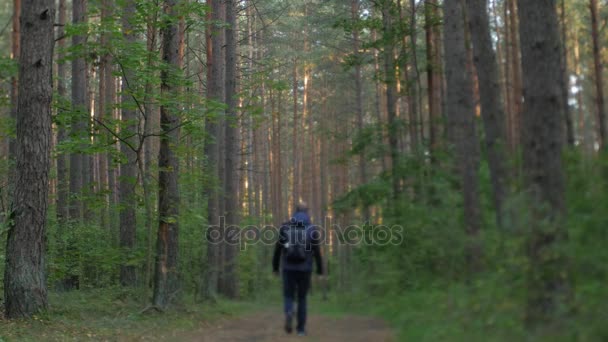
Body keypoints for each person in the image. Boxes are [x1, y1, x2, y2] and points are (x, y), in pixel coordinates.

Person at [272, 202, 323, 336]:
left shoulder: (285, 227)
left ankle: (289, 312)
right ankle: (300, 330)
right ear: (307, 213)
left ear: (294, 212)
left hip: (288, 268)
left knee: (288, 295)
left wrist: (275, 268)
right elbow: (317, 251)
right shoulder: (312, 229)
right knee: (302, 298)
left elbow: (278, 250)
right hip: (305, 269)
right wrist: (320, 271)